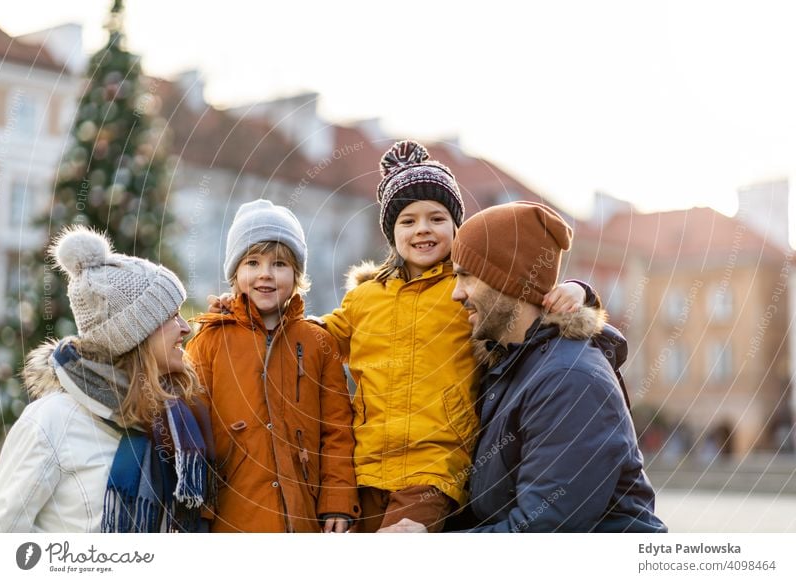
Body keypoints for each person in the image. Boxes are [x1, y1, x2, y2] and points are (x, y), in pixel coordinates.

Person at [208, 142, 592, 532]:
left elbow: (526, 301)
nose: (422, 229)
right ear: (392, 234)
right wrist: (246, 311)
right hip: (368, 466)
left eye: (436, 218)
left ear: (457, 227)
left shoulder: (467, 292)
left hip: (434, 468)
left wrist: (578, 291)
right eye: (408, 221)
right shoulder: (365, 298)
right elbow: (312, 336)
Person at [382, 201, 667, 532]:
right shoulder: (508, 368)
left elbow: (543, 530)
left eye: (466, 277)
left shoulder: (569, 381)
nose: (455, 294)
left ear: (509, 281)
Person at [0, 227, 214, 533]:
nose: (185, 328)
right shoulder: (52, 420)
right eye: (171, 316)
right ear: (135, 335)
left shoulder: (173, 422)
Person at [186, 199, 359, 532]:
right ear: (236, 273)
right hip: (232, 513)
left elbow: (337, 430)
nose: (265, 274)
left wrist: (338, 501)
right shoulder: (208, 341)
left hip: (303, 514)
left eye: (279, 264)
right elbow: (194, 430)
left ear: (296, 275)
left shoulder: (318, 342)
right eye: (252, 262)